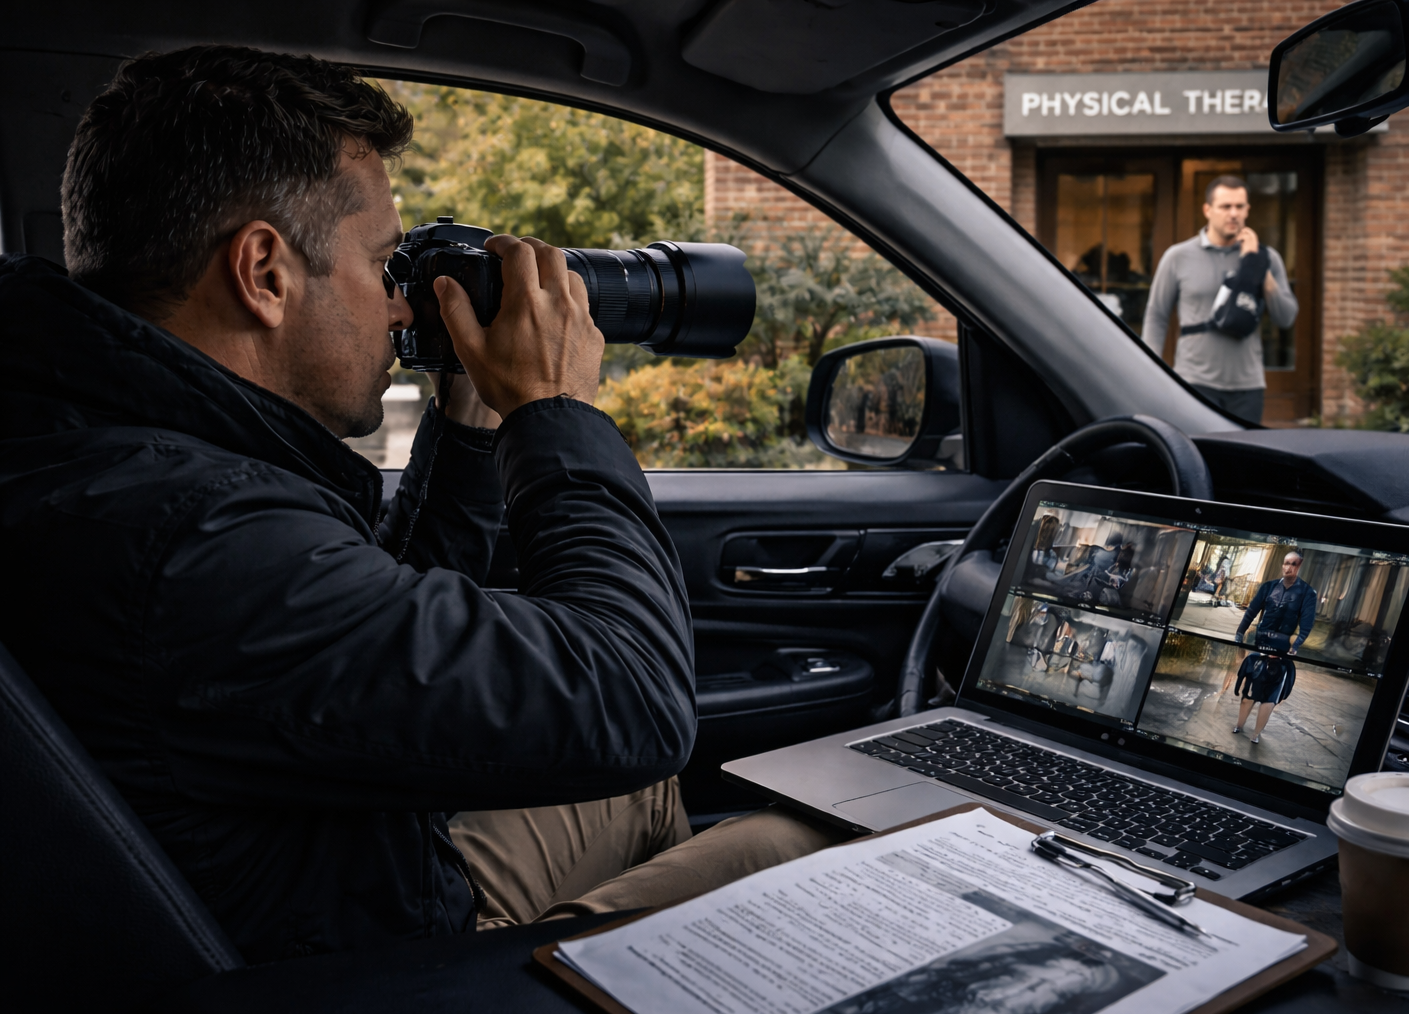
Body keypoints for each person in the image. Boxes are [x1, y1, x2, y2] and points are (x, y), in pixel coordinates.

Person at [0, 46, 842, 964]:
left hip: (341, 866)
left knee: (632, 793)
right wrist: (553, 412)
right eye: (379, 263)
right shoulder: (190, 535)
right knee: (798, 847)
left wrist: (475, 424)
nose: (401, 309)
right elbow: (636, 699)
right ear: (264, 273)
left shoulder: (111, 450)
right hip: (371, 970)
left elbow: (377, 641)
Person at [1141, 175, 1299, 424]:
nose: (1233, 214)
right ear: (1208, 210)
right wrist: (1149, 373)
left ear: (1248, 210)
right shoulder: (1178, 256)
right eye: (1226, 207)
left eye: (1240, 207)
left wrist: (1258, 268)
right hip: (1194, 381)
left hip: (1247, 386)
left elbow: (1285, 317)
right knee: (1199, 456)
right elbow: (1157, 316)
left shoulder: (1268, 257)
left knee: (1242, 461)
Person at [1235, 550, 1318, 657]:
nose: (1288, 568)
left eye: (1294, 564)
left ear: (1299, 566)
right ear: (1283, 565)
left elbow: (1307, 623)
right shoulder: (1268, 586)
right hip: (1262, 638)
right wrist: (1239, 634)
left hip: (1283, 643)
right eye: (1287, 563)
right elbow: (1251, 611)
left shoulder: (1308, 593)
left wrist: (1295, 645)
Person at [1231, 651, 1297, 745]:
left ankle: (1256, 734)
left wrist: (1283, 696)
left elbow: (1289, 681)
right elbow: (1242, 673)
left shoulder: (1286, 663)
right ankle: (1239, 725)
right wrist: (1237, 687)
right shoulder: (1254, 657)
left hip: (1273, 689)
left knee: (1266, 708)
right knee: (1246, 702)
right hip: (1254, 685)